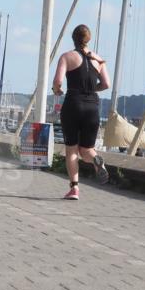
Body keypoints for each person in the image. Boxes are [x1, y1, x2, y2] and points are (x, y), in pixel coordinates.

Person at [52, 24, 110, 200]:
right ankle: (96, 160)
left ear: (73, 38)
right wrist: (92, 89)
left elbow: (57, 81)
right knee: (87, 150)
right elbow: (106, 84)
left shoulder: (67, 57)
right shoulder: (99, 60)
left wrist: (57, 90)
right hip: (92, 106)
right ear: (88, 39)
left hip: (73, 104)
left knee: (72, 150)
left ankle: (74, 189)